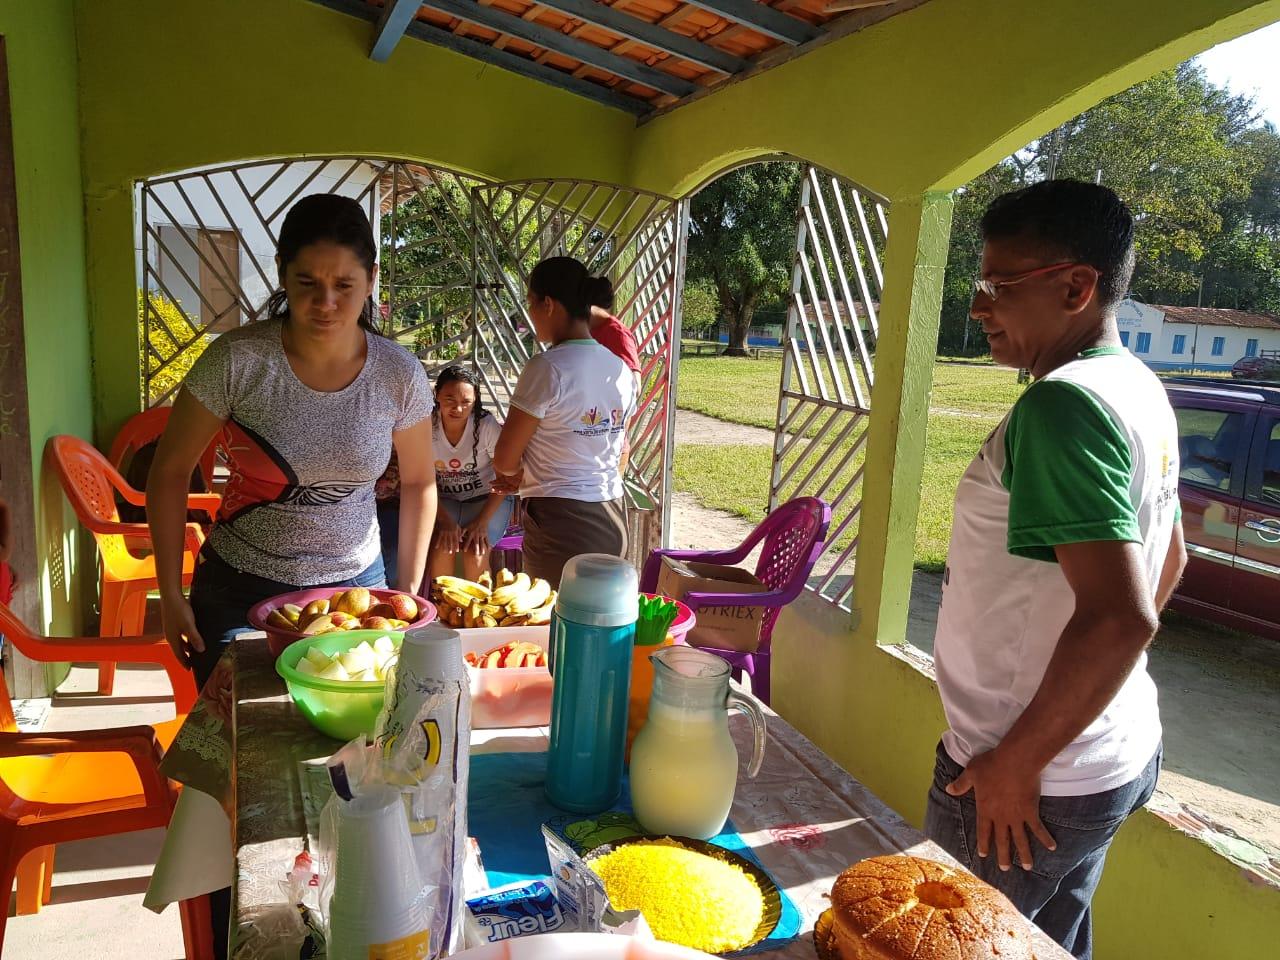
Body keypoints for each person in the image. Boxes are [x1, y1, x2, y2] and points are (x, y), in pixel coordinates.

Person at [924, 180, 1185, 960]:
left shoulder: (1062, 405)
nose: (978, 308)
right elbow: (1170, 557)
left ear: (1076, 286)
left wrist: (1020, 760)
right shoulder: (1137, 386)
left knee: (946, 946)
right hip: (1103, 756)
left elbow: (1121, 614)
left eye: (998, 287)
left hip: (1028, 782)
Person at [148, 193, 438, 696]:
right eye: (307, 283)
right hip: (239, 592)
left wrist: (406, 593)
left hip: (358, 597)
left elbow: (418, 482)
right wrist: (171, 593)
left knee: (347, 755)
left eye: (344, 285)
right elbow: (170, 470)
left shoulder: (398, 374)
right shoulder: (237, 361)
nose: (325, 303)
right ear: (282, 273)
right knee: (238, 749)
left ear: (371, 279)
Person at [492, 257, 636, 588]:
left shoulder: (548, 368)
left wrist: (517, 475)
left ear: (548, 304)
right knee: (601, 623)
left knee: (555, 626)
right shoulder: (619, 369)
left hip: (562, 523)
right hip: (612, 514)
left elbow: (504, 458)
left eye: (530, 304)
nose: (529, 316)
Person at [425, 364, 514, 582]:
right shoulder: (426, 425)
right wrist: (444, 521)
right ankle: (442, 608)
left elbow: (505, 479)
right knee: (443, 547)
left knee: (476, 550)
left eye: (466, 402)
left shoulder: (486, 425)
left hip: (487, 499)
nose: (458, 409)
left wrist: (482, 522)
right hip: (443, 500)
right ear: (436, 395)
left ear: (475, 401)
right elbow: (422, 479)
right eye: (449, 400)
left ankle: (478, 612)